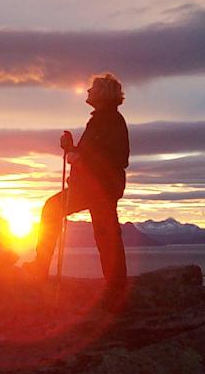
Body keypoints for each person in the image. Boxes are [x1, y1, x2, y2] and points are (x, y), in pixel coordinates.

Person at [26, 73, 130, 295]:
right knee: (104, 232)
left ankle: (115, 288)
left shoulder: (108, 121)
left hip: (98, 188)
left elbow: (116, 158)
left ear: (102, 94)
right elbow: (95, 155)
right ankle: (115, 287)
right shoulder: (104, 120)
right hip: (95, 188)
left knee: (105, 234)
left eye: (92, 88)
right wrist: (72, 150)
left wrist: (75, 154)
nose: (88, 92)